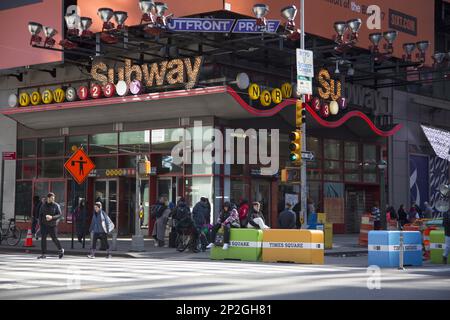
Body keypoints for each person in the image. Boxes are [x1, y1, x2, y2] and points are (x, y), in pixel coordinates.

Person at [37, 193, 64, 259]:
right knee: (43, 239)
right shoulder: (43, 205)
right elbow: (40, 215)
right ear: (48, 198)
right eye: (52, 198)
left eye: (53, 198)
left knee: (54, 239)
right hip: (44, 225)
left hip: (52, 225)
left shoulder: (56, 205)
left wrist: (52, 217)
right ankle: (43, 254)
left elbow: (60, 215)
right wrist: (40, 224)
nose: (53, 199)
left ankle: (61, 250)